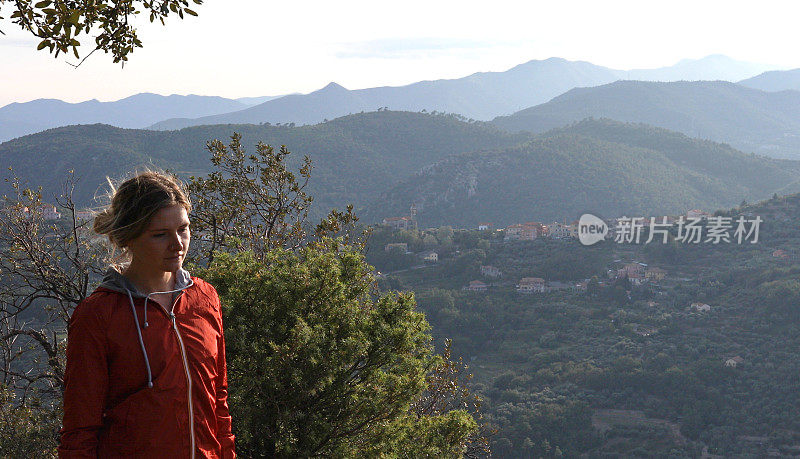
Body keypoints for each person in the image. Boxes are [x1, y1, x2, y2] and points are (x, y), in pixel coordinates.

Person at [58, 171, 236, 458]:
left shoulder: (205, 298)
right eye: (160, 234)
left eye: (183, 229)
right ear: (129, 237)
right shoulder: (98, 316)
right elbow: (80, 428)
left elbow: (218, 403)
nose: (178, 244)